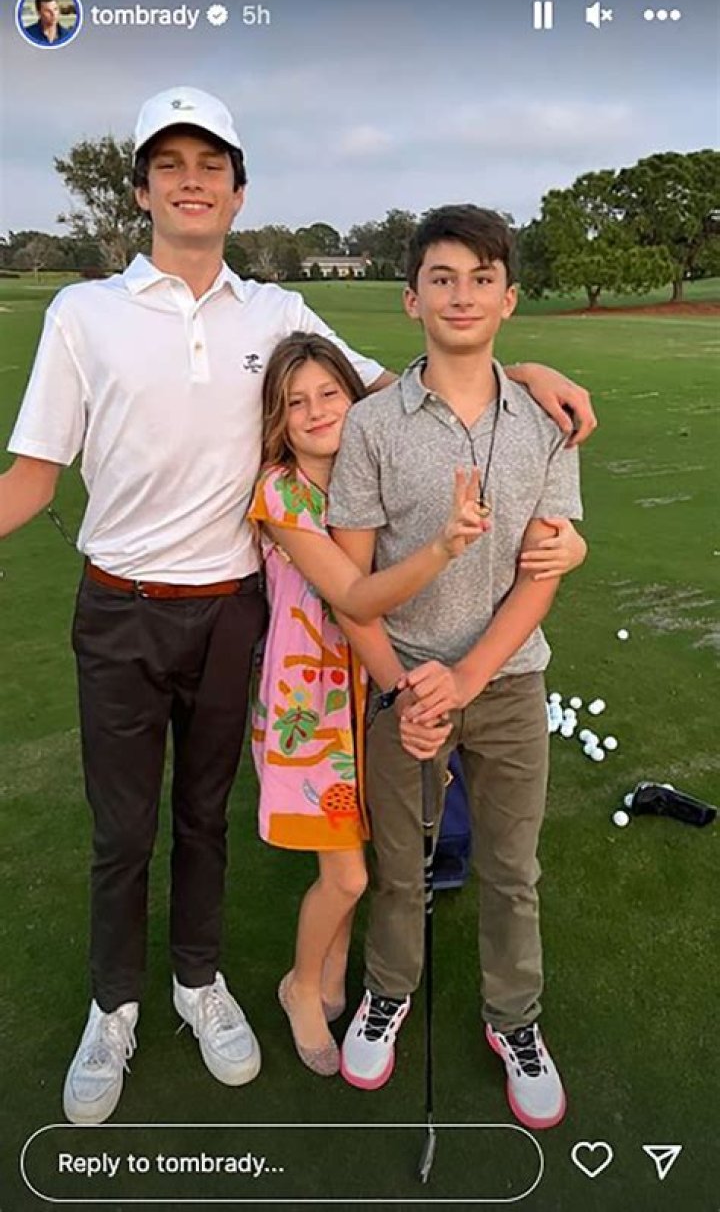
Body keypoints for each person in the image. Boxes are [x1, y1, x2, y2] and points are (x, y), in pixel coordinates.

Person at [0, 85, 593, 1125]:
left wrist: (528, 368)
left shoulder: (276, 312)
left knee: (205, 818)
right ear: (140, 188)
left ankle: (198, 985)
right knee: (123, 829)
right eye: (170, 165)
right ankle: (113, 1008)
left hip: (236, 611)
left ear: (238, 191)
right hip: (121, 607)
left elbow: (402, 382)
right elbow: (32, 480)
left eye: (212, 166)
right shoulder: (81, 314)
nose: (192, 182)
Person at [328, 204, 586, 1129]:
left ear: (510, 299)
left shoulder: (546, 422)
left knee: (513, 869)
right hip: (402, 683)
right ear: (411, 299)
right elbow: (350, 588)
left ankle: (514, 1018)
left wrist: (467, 678)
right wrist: (404, 689)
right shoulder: (370, 426)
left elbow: (542, 573)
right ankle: (387, 992)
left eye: (482, 279)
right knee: (400, 868)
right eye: (442, 278)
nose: (462, 295)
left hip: (507, 681)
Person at [248, 332, 497, 1076]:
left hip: (369, 693)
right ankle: (300, 985)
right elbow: (353, 595)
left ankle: (331, 978)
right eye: (296, 403)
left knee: (358, 851)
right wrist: (442, 547)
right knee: (348, 875)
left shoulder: (370, 475)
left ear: (355, 399)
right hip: (309, 708)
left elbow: (451, 381)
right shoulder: (281, 492)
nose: (316, 411)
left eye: (330, 393)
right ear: (279, 420)